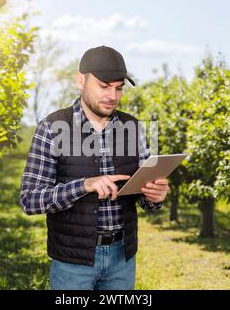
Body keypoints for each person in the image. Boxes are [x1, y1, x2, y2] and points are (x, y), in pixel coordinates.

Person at [19, 46, 170, 290]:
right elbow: (30, 200)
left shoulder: (134, 129)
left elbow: (146, 200)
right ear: (80, 81)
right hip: (72, 262)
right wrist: (84, 185)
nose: (113, 95)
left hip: (122, 259)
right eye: (104, 86)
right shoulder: (52, 128)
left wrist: (155, 195)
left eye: (118, 87)